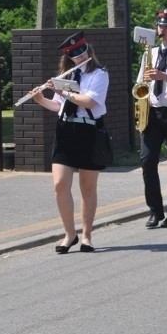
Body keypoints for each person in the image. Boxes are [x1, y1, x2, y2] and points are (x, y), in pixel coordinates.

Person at [32, 31, 109, 254]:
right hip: (65, 129)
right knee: (60, 184)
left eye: (82, 52)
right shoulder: (66, 76)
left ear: (88, 50)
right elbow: (58, 106)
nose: (78, 58)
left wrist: (63, 92)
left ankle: (86, 236)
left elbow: (89, 101)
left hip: (89, 130)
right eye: (74, 55)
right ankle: (69, 234)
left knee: (87, 186)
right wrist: (41, 100)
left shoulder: (99, 74)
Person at [137, 8, 167, 229]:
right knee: (147, 162)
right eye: (159, 26)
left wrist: (164, 76)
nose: (161, 30)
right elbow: (141, 83)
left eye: (166, 26)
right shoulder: (152, 53)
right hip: (153, 112)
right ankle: (155, 211)